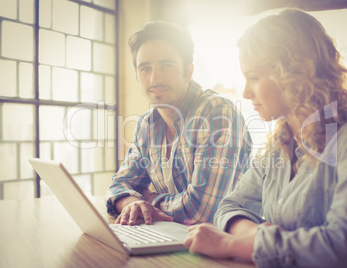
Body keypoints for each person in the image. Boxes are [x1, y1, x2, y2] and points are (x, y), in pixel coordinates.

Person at [183, 9, 347, 268]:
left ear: (294, 74)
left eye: (254, 77)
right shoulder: (277, 147)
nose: (246, 92)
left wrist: (233, 244)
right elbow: (229, 206)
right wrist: (255, 235)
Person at [105, 21, 252, 226]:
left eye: (166, 65)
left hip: (227, 247)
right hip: (172, 238)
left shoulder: (217, 113)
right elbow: (119, 184)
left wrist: (148, 198)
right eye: (145, 68)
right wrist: (132, 202)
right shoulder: (147, 124)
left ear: (188, 71)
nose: (154, 78)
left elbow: (200, 212)